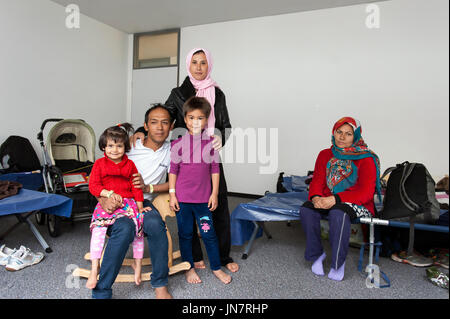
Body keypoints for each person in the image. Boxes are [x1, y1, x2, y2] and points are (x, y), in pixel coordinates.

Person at [132, 48, 237, 273]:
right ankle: (196, 256)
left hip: (209, 152)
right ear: (188, 65)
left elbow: (225, 125)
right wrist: (142, 129)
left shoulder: (218, 93)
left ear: (209, 66)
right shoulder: (179, 92)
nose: (199, 67)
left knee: (218, 203)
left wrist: (220, 136)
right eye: (195, 62)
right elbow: (163, 115)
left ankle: (224, 256)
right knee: (187, 208)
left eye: (203, 63)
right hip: (186, 154)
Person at [92, 107, 174, 299]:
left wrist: (149, 188)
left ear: (171, 127)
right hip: (116, 200)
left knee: (154, 223)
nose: (159, 128)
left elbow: (176, 181)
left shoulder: (173, 150)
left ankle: (160, 284)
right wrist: (103, 200)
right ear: (145, 126)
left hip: (143, 200)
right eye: (154, 122)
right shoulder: (129, 145)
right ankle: (102, 291)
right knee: (125, 228)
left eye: (165, 123)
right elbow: (100, 179)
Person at [299, 117, 381, 281]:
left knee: (338, 213)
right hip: (329, 198)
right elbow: (317, 181)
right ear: (334, 133)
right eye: (339, 132)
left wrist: (335, 199)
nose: (342, 137)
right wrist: (315, 197)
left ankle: (338, 263)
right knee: (307, 209)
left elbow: (366, 192)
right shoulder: (325, 154)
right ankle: (317, 255)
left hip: (357, 202)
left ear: (355, 136)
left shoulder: (366, 158)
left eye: (348, 134)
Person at [169, 96, 232, 285]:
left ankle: (216, 268)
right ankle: (188, 268)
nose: (195, 122)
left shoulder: (211, 144)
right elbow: (173, 170)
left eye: (200, 118)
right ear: (185, 119)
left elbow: (215, 170)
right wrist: (172, 194)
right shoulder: (177, 144)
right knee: (186, 234)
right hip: (183, 200)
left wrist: (214, 193)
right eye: (191, 118)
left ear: (206, 120)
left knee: (208, 234)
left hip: (203, 201)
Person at [87, 123, 151, 289]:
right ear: (103, 146)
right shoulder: (99, 164)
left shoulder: (130, 165)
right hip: (107, 201)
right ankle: (95, 268)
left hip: (127, 203)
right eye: (110, 145)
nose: (114, 150)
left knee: (138, 228)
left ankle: (137, 266)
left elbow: (136, 187)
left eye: (119, 146)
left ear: (125, 147)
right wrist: (107, 194)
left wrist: (139, 206)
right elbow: (93, 186)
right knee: (98, 229)